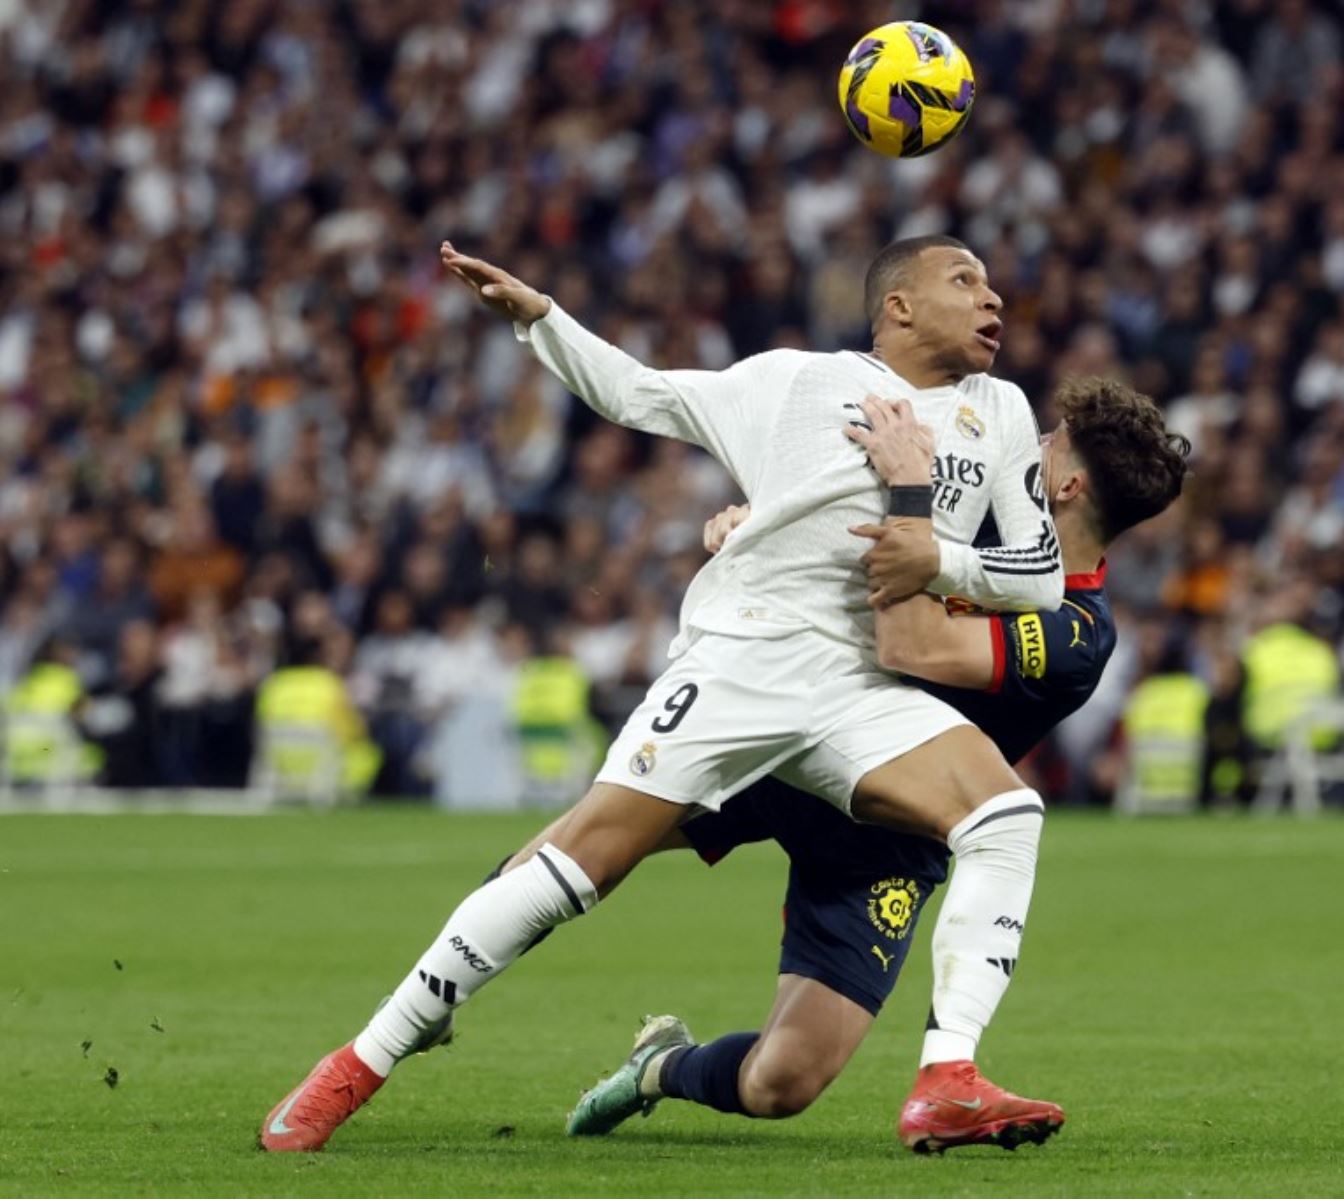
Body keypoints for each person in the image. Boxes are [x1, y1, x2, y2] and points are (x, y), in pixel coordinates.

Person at [261, 235, 1072, 1154]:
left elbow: (1040, 574)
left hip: (859, 684)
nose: (992, 295)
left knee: (1006, 813)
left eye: (992, 282)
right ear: (899, 307)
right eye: (965, 279)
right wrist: (544, 321)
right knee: (579, 866)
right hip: (746, 659)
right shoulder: (795, 383)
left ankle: (948, 1077)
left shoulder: (999, 410)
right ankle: (359, 1062)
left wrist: (941, 554)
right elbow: (639, 392)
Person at [557, 377, 1188, 1151]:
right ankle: (425, 1005)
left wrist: (910, 491)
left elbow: (909, 645)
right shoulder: (979, 514)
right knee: (576, 857)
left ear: (1067, 484)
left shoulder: (1073, 633)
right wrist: (757, 527)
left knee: (779, 1083)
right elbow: (826, 536)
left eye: (1045, 444)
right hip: (789, 741)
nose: (1023, 447)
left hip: (886, 835)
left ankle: (660, 1066)